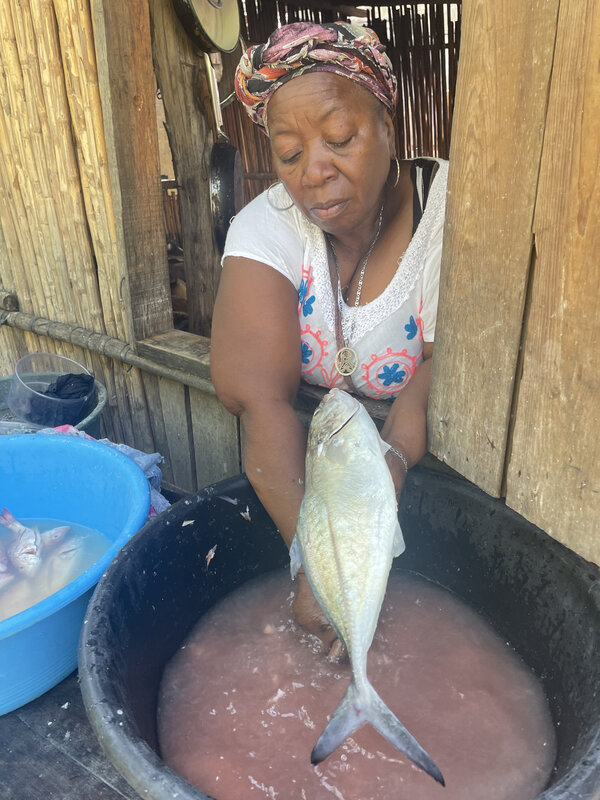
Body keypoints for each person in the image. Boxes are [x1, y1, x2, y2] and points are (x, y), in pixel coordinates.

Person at [211, 21, 447, 658]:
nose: (314, 170)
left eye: (339, 138)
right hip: (303, 479)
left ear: (389, 130)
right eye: (289, 154)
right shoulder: (268, 226)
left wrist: (388, 469)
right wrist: (313, 563)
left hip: (438, 486)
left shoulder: (452, 210)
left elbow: (443, 366)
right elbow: (258, 398)